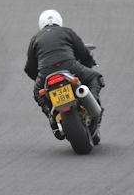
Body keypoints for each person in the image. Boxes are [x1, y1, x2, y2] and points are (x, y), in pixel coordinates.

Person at [24, 10, 105, 141]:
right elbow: (83, 53)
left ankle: (51, 116)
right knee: (95, 77)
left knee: (38, 93)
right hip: (69, 66)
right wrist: (88, 64)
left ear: (41, 24)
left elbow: (30, 68)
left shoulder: (35, 38)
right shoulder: (67, 31)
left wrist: (41, 80)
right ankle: (93, 103)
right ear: (59, 21)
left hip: (45, 73)